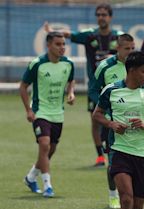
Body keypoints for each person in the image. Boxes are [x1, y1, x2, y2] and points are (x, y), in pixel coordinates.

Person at [45, 3, 123, 166]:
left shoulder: (119, 37)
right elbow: (69, 34)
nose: (101, 17)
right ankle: (100, 155)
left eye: (104, 14)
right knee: (95, 120)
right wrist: (52, 31)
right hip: (95, 87)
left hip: (116, 87)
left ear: (110, 17)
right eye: (98, 15)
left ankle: (116, 152)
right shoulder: (90, 36)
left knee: (116, 117)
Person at [92, 51, 144, 209]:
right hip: (119, 151)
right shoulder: (112, 90)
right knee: (126, 199)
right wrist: (111, 124)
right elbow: (97, 114)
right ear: (131, 70)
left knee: (138, 206)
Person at [20, 31, 75, 198]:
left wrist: (70, 93)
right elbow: (23, 86)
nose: (62, 48)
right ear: (48, 45)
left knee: (50, 150)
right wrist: (28, 110)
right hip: (40, 112)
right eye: (58, 44)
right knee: (44, 145)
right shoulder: (37, 64)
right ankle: (47, 186)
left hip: (58, 114)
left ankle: (30, 177)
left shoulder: (68, 64)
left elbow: (71, 80)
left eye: (64, 44)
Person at [92, 33, 135, 209]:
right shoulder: (105, 67)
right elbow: (94, 90)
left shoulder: (137, 66)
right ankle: (113, 195)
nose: (131, 52)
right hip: (111, 124)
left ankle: (134, 194)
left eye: (133, 48)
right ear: (117, 48)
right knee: (113, 162)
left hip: (134, 123)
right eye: (127, 49)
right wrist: (106, 112)